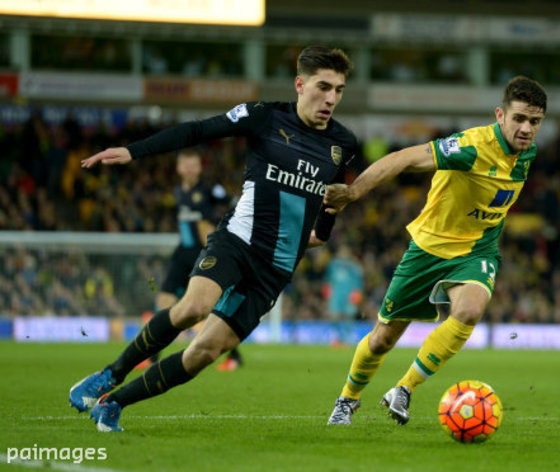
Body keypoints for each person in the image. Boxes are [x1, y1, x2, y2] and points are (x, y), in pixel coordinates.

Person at [69, 45, 357, 432]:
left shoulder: (343, 145)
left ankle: (113, 403)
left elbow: (327, 213)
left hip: (276, 269)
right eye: (324, 87)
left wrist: (323, 227)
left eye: (339, 90)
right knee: (193, 307)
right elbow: (199, 130)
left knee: (204, 351)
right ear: (300, 84)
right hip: (237, 241)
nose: (331, 98)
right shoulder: (264, 116)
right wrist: (133, 152)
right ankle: (109, 374)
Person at [325, 76, 547, 425]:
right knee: (382, 340)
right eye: (519, 118)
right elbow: (404, 157)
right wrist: (354, 192)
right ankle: (347, 400)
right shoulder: (470, 147)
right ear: (500, 115)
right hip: (428, 248)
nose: (526, 128)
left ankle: (404, 388)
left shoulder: (528, 152)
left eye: (534, 121)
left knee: (470, 310)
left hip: (478, 248)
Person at [135, 148, 243, 371]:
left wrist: (219, 230)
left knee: (210, 307)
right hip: (181, 254)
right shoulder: (178, 192)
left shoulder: (210, 190)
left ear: (200, 167)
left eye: (194, 164)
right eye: (186, 164)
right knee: (164, 302)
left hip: (203, 255)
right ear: (178, 168)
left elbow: (237, 204)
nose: (190, 168)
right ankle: (153, 357)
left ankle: (235, 356)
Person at [323, 244, 364, 346]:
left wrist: (357, 293)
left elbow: (359, 282)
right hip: (336, 294)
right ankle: (336, 338)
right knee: (334, 316)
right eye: (341, 251)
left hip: (349, 295)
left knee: (348, 317)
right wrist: (327, 292)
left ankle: (347, 339)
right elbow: (327, 280)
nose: (343, 254)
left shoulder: (354, 266)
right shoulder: (332, 265)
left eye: (345, 252)